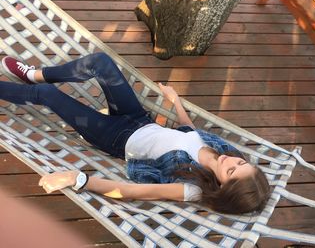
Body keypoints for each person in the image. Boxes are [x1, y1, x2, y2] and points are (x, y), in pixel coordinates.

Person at [1, 53, 270, 214]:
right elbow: (190, 132)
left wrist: (78, 178)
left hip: (115, 137)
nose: (231, 161)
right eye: (241, 162)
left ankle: (34, 85)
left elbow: (131, 191)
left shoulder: (191, 188)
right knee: (101, 62)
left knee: (47, 95)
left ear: (222, 187)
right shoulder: (220, 152)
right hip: (139, 119)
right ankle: (34, 74)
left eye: (232, 171)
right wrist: (175, 102)